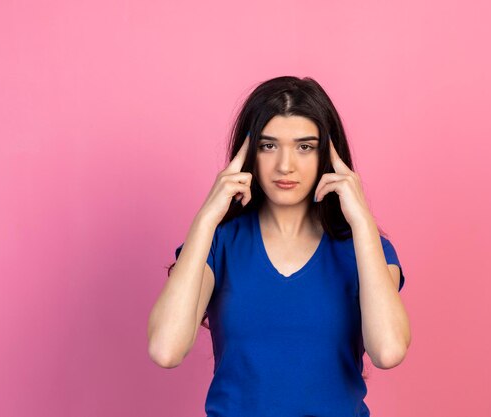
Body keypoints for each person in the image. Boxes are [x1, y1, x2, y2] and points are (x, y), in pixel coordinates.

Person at [147, 76, 411, 417]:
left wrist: (361, 221)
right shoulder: (219, 243)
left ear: (327, 156)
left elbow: (388, 351)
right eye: (268, 145)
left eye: (305, 146)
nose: (285, 165)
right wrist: (207, 217)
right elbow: (165, 350)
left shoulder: (363, 248)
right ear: (249, 153)